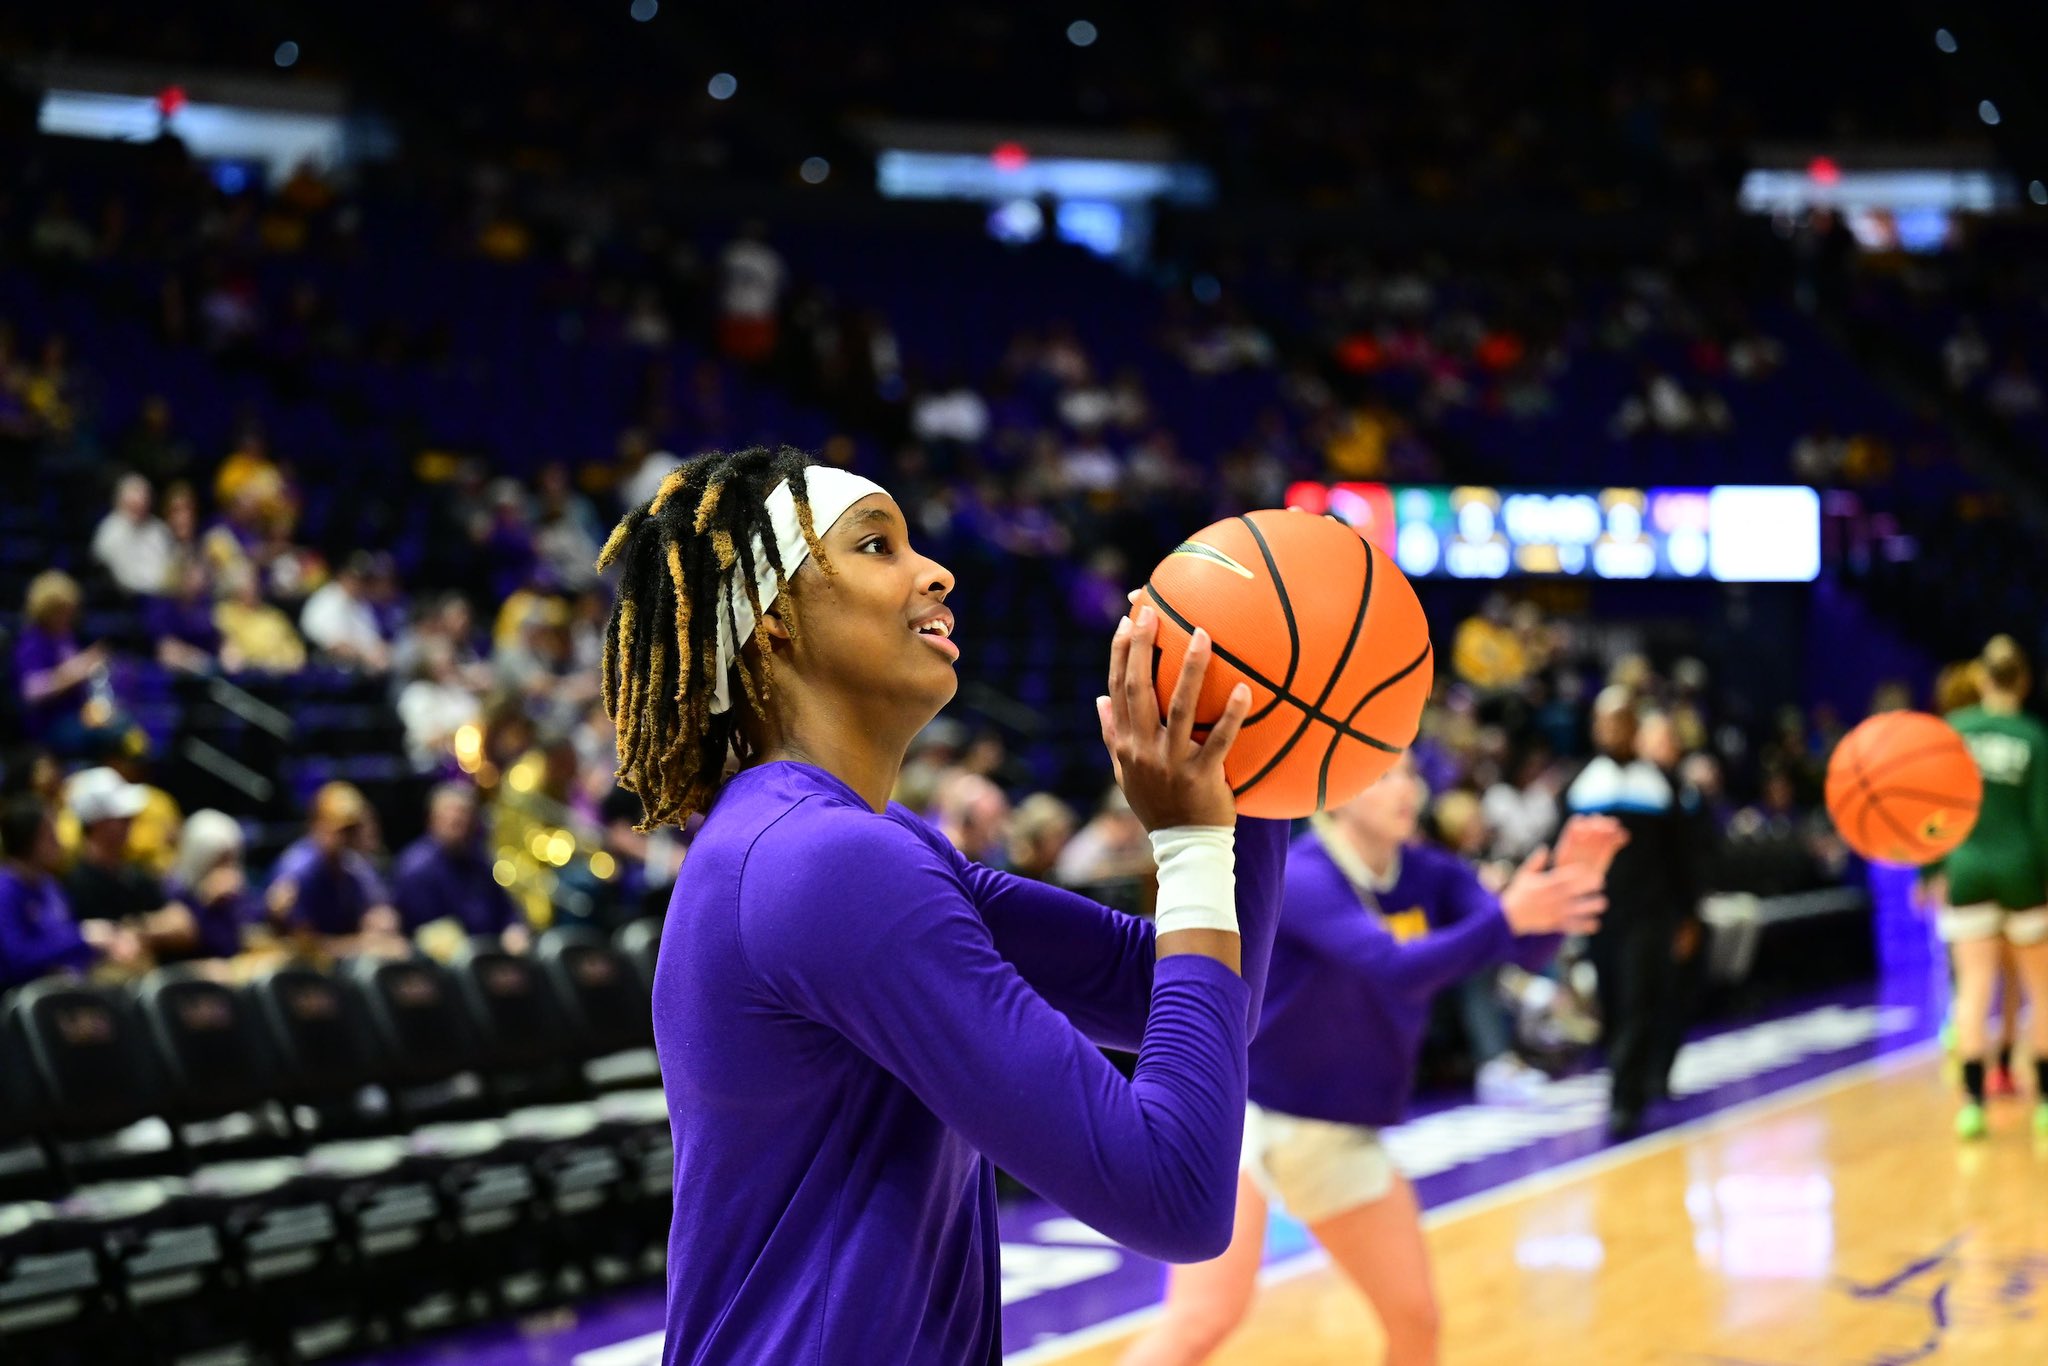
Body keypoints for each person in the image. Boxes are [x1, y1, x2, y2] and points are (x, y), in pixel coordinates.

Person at [601, 446, 1285, 1363]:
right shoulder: (825, 864)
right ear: (770, 622)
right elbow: (1175, 1195)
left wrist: (1266, 759)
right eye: (877, 546)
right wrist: (1195, 843)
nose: (936, 570)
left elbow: (1178, 993)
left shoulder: (864, 844)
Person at [1121, 755, 1623, 1366]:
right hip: (1245, 1117)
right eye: (1384, 775)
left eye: (1410, 774)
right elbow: (1396, 968)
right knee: (1203, 1320)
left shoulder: (1432, 873)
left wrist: (1570, 884)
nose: (1406, 788)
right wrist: (1508, 915)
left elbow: (1516, 944)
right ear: (1337, 795)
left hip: (1339, 1130)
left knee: (1416, 1320)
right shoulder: (1302, 873)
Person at [1565, 688, 1703, 1138]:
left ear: (1633, 728)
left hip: (1651, 914)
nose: (1612, 730)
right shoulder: (1583, 786)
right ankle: (1633, 1083)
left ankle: (1626, 1099)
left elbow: (1683, 857)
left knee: (1641, 1001)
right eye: (1604, 722)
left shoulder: (1658, 786)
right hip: (1602, 917)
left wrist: (1688, 915)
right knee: (1612, 1005)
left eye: (1620, 721)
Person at [1935, 636, 2048, 1139]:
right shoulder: (2033, 736)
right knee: (2041, 993)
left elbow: (1932, 814)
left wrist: (1928, 872)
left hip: (1969, 867)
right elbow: (2043, 821)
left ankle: (1973, 1105)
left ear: (1981, 679)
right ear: (2024, 682)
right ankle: (2044, 1103)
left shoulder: (1954, 732)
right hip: (2023, 869)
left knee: (1974, 990)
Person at [1, 794, 142, 991]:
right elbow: (16, 959)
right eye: (51, 835)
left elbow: (68, 941)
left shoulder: (50, 885)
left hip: (65, 986)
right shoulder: (5, 891)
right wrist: (82, 938)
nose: (60, 843)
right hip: (21, 997)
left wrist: (104, 945)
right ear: (27, 838)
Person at [62, 766, 200, 960]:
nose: (131, 822)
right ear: (97, 824)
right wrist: (153, 929)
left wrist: (137, 929)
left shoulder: (135, 873)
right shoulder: (76, 884)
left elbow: (184, 927)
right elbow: (113, 949)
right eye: (122, 819)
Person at [266, 781, 404, 956]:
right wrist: (362, 944)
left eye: (354, 829)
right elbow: (304, 947)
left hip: (345, 956)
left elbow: (377, 908)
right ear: (318, 825)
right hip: (307, 967)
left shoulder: (352, 863)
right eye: (343, 830)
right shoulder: (297, 870)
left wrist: (381, 919)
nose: (349, 838)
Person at [391, 784, 527, 950]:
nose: (461, 826)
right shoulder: (417, 867)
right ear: (432, 819)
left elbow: (506, 910)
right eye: (453, 820)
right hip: (445, 957)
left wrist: (513, 929)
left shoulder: (479, 859)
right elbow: (430, 930)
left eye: (466, 818)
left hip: (489, 950)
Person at [13, 570, 123, 758]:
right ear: (46, 610)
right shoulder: (32, 642)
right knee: (110, 736)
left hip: (75, 716)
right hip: (49, 724)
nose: (67, 618)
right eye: (61, 611)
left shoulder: (65, 637)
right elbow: (32, 692)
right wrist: (77, 671)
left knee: (122, 723)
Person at [167, 809, 256, 961]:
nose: (226, 868)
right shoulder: (175, 889)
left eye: (230, 859)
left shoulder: (234, 889)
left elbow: (250, 924)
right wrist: (205, 903)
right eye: (218, 860)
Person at [299, 553, 391, 672]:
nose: (359, 583)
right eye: (354, 577)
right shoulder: (325, 600)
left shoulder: (361, 603)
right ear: (343, 575)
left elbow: (371, 638)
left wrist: (379, 650)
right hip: (328, 666)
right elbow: (318, 637)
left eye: (363, 579)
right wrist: (362, 654)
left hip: (358, 667)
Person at [92, 472, 177, 596]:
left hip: (160, 596)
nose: (139, 505)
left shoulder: (159, 530)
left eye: (143, 500)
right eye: (133, 503)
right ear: (120, 502)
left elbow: (170, 566)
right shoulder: (109, 531)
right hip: (123, 600)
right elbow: (106, 575)